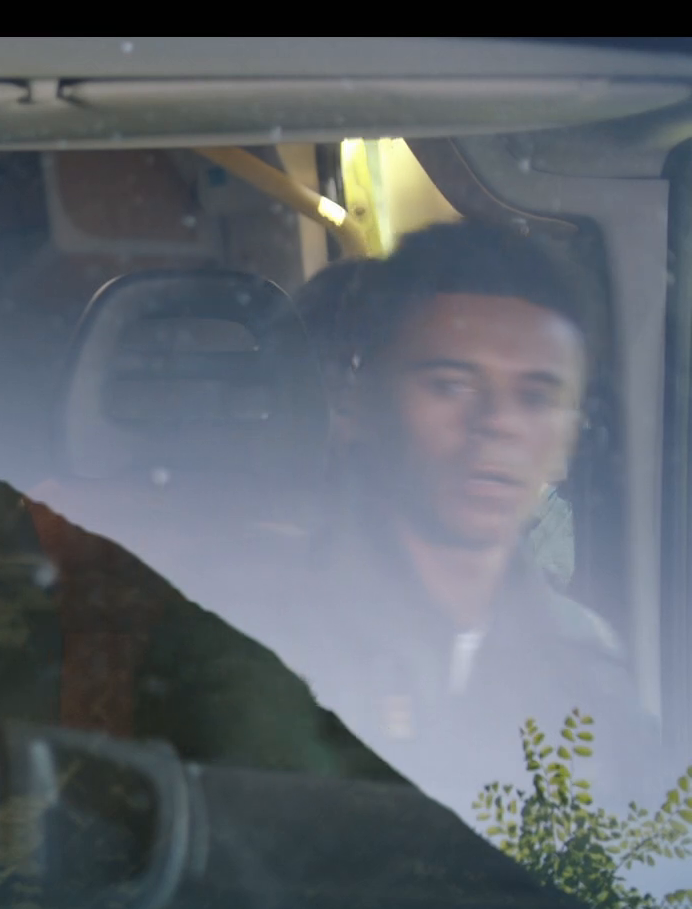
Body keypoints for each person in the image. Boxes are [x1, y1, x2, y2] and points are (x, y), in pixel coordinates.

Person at [236, 223, 664, 815]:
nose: (497, 423)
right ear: (359, 402)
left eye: (536, 398)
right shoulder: (259, 631)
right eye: (451, 385)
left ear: (570, 439)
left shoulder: (588, 666)